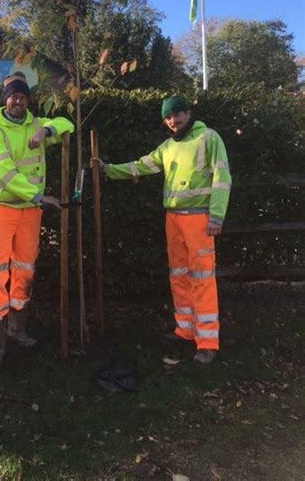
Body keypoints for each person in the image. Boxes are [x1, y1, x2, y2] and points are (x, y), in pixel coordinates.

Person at [90, 95, 231, 365]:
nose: (173, 121)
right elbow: (143, 165)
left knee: (201, 278)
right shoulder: (168, 146)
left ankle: (208, 342)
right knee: (179, 275)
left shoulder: (208, 138)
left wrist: (216, 216)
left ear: (188, 113)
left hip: (199, 219)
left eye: (177, 114)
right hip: (174, 219)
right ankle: (185, 329)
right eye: (168, 117)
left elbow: (222, 177)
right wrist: (109, 169)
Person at [0, 73, 74, 374]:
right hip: (1, 210)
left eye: (21, 96)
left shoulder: (35, 123)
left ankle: (17, 331)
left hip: (30, 213)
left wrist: (47, 130)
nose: (17, 100)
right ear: (5, 100)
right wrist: (37, 195)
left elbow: (68, 125)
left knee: (24, 271)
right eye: (12, 96)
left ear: (27, 100)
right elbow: (4, 172)